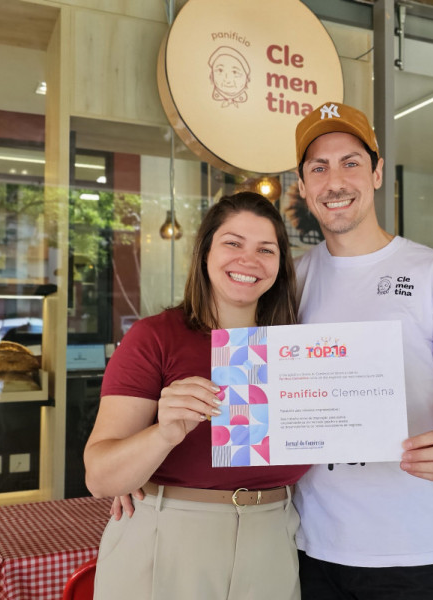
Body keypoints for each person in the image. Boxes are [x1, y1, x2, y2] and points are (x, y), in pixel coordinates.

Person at [291, 101, 433, 599]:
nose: (334, 181)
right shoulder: (290, 280)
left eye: (351, 163)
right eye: (318, 167)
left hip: (414, 551)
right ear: (302, 186)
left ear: (377, 173)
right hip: (309, 547)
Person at [84, 192, 309, 600]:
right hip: (166, 536)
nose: (248, 259)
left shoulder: (298, 350)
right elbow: (100, 478)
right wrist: (162, 435)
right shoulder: (155, 337)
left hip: (275, 538)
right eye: (233, 243)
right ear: (205, 251)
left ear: (280, 264)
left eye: (266, 249)